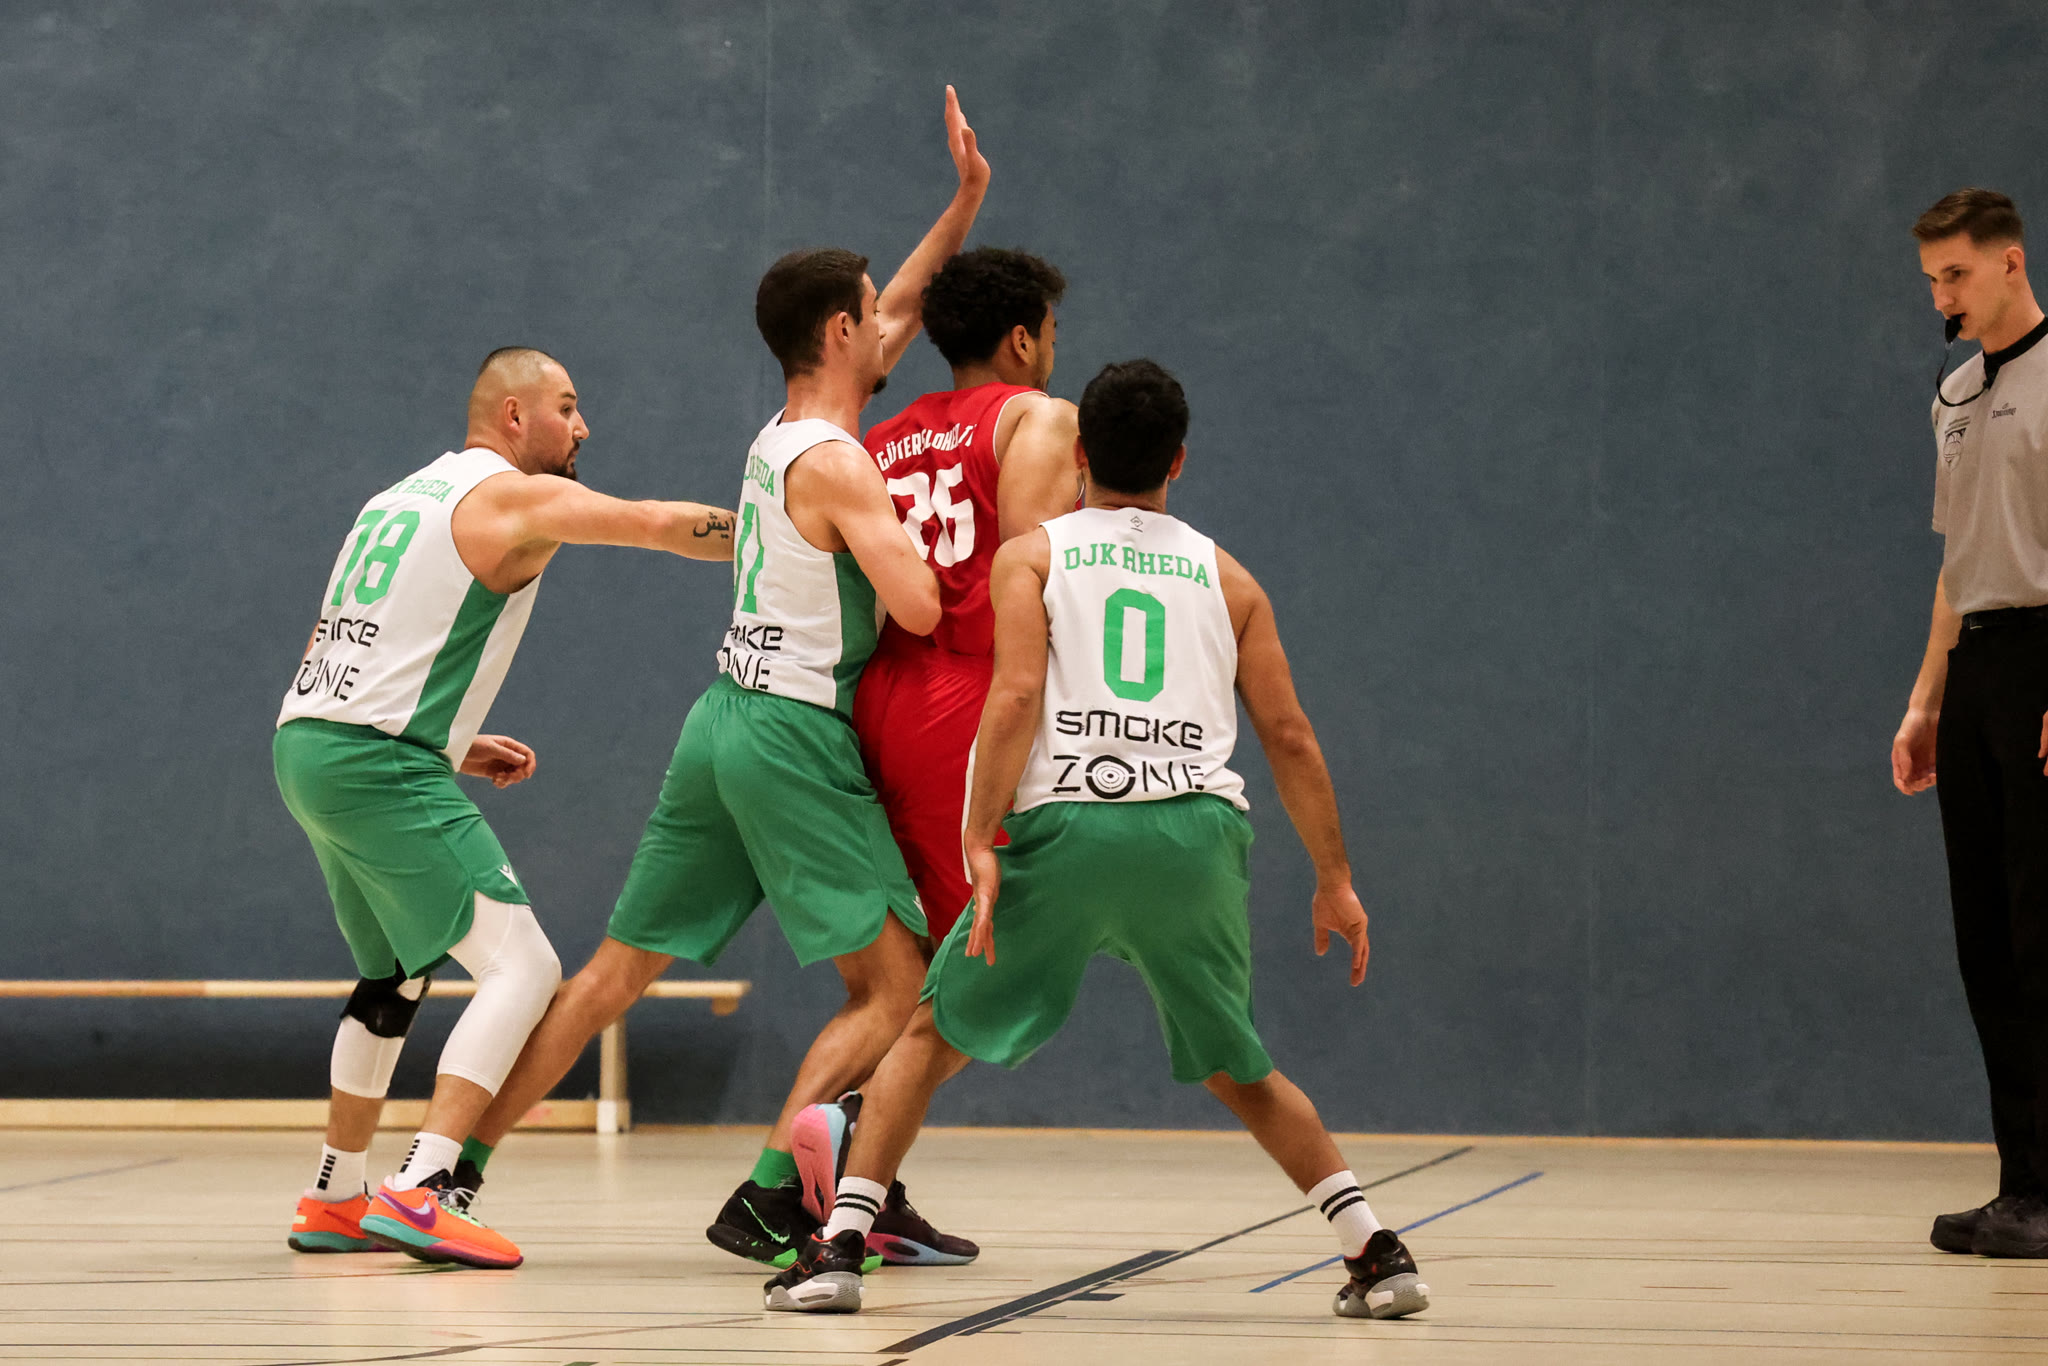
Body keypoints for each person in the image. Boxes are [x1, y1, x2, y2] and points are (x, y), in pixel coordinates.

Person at [764, 359, 1429, 1321]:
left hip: (1068, 830)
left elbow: (1014, 699)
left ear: (1079, 456)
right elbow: (1290, 736)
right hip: (1195, 838)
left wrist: (979, 835)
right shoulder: (1231, 579)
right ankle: (1375, 1248)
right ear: (1179, 461)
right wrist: (1335, 878)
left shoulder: (1031, 558)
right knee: (1237, 1066)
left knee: (927, 1037)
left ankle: (837, 1250)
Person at [453, 87, 990, 1270]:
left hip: (720, 722)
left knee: (612, 973)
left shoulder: (777, 435)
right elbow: (916, 605)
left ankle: (451, 1166)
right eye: (869, 315)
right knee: (896, 991)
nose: (888, 324)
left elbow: (904, 299)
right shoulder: (841, 464)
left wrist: (963, 202)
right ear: (840, 334)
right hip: (793, 733)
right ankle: (772, 1196)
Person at [278, 348, 735, 1268]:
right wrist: (781, 530)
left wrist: (448, 739)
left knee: (396, 973)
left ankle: (334, 1194)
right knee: (524, 966)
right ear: (515, 416)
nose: (584, 426)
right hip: (377, 762)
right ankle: (421, 1187)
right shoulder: (512, 498)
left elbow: (351, 642)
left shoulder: (396, 498)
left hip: (310, 744)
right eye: (568, 406)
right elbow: (654, 522)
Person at [786, 249, 1081, 1266]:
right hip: (969, 696)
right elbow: (1039, 570)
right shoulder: (1037, 419)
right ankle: (833, 1145)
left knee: (929, 963)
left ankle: (868, 1179)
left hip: (885, 696)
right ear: (1022, 339)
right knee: (995, 958)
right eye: (1051, 332)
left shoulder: (888, 432)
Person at [1893, 187, 2048, 1258]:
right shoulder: (1954, 392)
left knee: (2042, 935)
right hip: (1977, 670)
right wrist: (1925, 699)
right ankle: (2020, 1184)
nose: (1941, 296)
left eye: (1954, 274)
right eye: (1929, 280)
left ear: (2008, 262)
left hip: (2042, 659)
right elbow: (1956, 565)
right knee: (1985, 941)